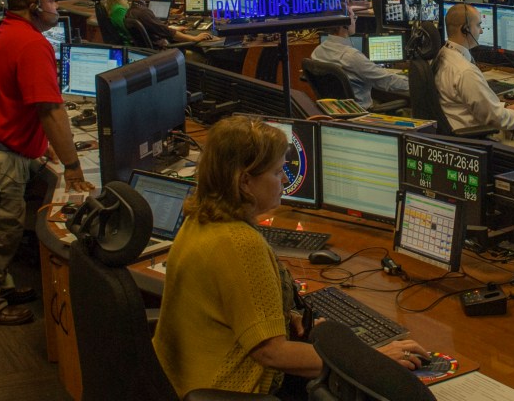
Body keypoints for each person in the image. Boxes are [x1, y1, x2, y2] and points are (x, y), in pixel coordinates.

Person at [154, 116, 428, 397]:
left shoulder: (200, 215)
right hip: (233, 388)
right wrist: (372, 362)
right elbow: (273, 354)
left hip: (181, 379)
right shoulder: (239, 243)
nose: (285, 178)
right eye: (276, 172)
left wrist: (287, 317)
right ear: (245, 182)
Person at [0, 0, 91, 326]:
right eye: (53, 1)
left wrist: (42, 148)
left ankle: (1, 287)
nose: (57, 6)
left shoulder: (8, 31)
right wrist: (73, 165)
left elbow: (19, 104)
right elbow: (50, 110)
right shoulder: (30, 44)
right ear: (34, 8)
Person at [435, 4, 514, 136]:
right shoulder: (465, 71)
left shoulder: (444, 54)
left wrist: (506, 108)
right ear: (465, 29)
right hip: (473, 141)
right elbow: (495, 118)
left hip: (459, 133)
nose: (481, 31)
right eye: (478, 25)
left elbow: (483, 109)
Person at [308, 17, 406, 106]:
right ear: (345, 24)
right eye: (354, 17)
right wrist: (415, 83)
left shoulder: (317, 51)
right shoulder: (351, 56)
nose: (355, 21)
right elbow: (387, 81)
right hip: (361, 113)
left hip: (333, 110)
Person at [125, 0, 211, 48]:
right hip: (161, 53)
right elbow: (168, 32)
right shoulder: (143, 12)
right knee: (204, 54)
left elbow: (158, 28)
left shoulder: (131, 11)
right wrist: (194, 38)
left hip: (148, 53)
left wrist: (173, 28)